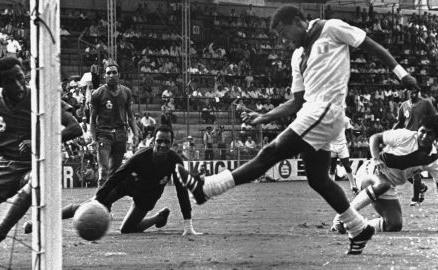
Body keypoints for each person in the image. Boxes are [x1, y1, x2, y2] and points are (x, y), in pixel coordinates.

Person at [175, 5, 420, 255]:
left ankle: (207, 188)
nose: (283, 39)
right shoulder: (298, 57)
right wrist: (264, 116)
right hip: (312, 112)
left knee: (272, 152)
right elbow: (296, 101)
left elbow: (371, 46)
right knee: (318, 180)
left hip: (325, 111)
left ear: (298, 21)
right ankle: (358, 228)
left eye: (284, 32)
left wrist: (401, 74)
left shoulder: (331, 28)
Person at [0, 57, 83, 253]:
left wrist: (40, 141)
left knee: (36, 179)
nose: (19, 85)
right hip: (5, 166)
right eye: (11, 81)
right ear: (0, 84)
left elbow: (75, 128)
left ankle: (0, 231)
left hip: (37, 162)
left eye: (20, 78)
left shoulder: (41, 97)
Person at [24, 125, 201, 235]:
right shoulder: (140, 157)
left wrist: (188, 224)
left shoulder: (175, 161)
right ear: (153, 141)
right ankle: (41, 221)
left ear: (172, 143)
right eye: (159, 141)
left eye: (166, 142)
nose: (162, 145)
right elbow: (116, 176)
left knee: (127, 230)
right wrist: (98, 199)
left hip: (148, 195)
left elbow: (181, 191)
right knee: (88, 206)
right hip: (127, 184)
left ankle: (158, 218)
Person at [331, 115, 438, 234]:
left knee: (394, 225)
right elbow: (375, 138)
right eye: (422, 131)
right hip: (370, 170)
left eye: (429, 134)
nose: (424, 136)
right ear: (417, 130)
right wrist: (376, 159)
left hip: (389, 185)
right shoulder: (405, 136)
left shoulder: (433, 159)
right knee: (384, 184)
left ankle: (354, 226)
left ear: (435, 137)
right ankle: (342, 218)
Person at [90, 63, 138, 187]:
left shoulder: (126, 92)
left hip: (121, 134)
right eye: (108, 73)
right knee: (103, 171)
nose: (111, 75)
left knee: (114, 173)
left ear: (119, 75)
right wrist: (94, 139)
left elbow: (130, 115)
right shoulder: (97, 94)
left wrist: (135, 134)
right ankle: (99, 203)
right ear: (104, 76)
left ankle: (107, 203)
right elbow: (92, 119)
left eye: (114, 72)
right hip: (104, 135)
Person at [393, 89, 436, 206]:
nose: (413, 94)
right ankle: (421, 187)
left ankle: (415, 199)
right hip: (407, 141)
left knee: (415, 170)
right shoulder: (403, 106)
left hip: (421, 140)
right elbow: (400, 122)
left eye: (415, 92)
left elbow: (434, 119)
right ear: (407, 93)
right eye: (410, 92)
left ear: (419, 92)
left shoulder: (426, 103)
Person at [329, 116, 358, 195]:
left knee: (347, 166)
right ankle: (332, 187)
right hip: (331, 146)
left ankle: (353, 185)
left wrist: (352, 142)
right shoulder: (328, 118)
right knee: (332, 168)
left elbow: (349, 131)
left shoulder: (345, 119)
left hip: (342, 146)